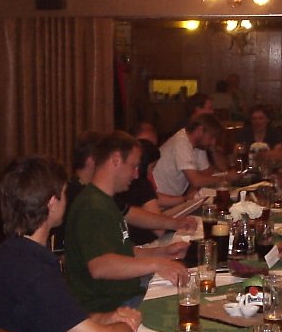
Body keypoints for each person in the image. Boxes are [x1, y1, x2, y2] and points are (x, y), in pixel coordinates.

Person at [0, 156, 142, 332]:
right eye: (63, 194)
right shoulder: (33, 272)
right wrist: (129, 323)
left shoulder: (12, 252)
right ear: (51, 203)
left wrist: (104, 317)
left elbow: (55, 317)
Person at [64, 131, 189, 312]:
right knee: (185, 302)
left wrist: (162, 253)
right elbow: (100, 266)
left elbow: (122, 252)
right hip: (111, 305)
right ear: (116, 160)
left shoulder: (104, 201)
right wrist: (157, 264)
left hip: (128, 293)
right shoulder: (91, 206)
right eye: (133, 166)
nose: (136, 174)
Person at [115, 138, 197, 244]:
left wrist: (184, 200)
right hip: (146, 242)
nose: (152, 173)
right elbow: (159, 229)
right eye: (152, 167)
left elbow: (154, 200)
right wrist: (183, 211)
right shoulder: (141, 184)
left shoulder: (123, 189)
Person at [152, 113, 226, 199]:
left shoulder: (199, 145)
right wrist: (225, 178)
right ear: (200, 130)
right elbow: (196, 181)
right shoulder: (181, 142)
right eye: (212, 137)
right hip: (160, 198)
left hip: (175, 198)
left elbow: (206, 173)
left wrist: (213, 149)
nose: (213, 142)